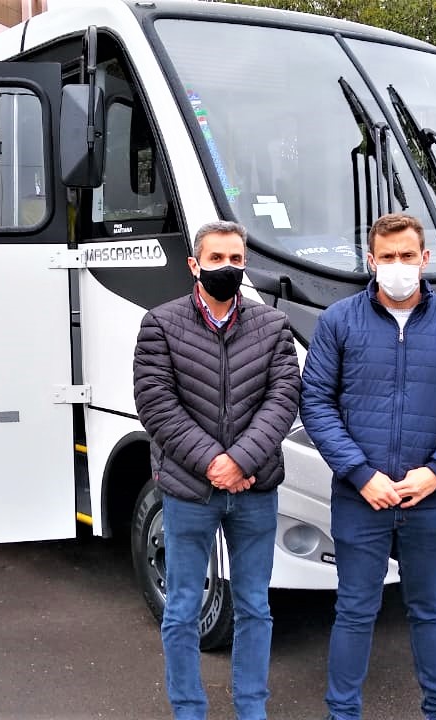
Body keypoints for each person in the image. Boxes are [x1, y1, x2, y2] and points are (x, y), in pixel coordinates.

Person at [300, 213, 436, 720]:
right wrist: (361, 474)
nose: (397, 266)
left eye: (407, 256)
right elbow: (316, 402)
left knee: (428, 609)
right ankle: (341, 714)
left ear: (425, 258)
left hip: (427, 496)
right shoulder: (339, 320)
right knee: (354, 611)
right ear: (371, 261)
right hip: (359, 496)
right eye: (386, 257)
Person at [133, 220, 302, 720]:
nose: (226, 268)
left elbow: (284, 397)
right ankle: (189, 710)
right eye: (216, 259)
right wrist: (214, 463)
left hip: (255, 490)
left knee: (255, 606)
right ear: (195, 265)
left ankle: (252, 708)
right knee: (182, 609)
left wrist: (242, 460)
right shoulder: (160, 324)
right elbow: (156, 404)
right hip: (188, 491)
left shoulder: (272, 326)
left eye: (235, 260)